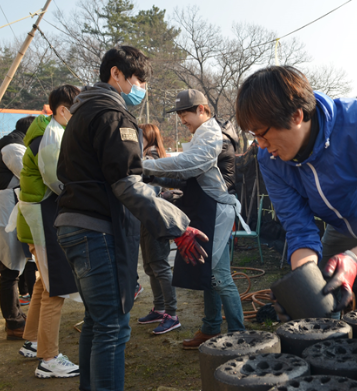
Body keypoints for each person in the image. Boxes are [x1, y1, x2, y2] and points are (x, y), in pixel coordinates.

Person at [55, 45, 206, 391]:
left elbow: (103, 175)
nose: (142, 88)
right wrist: (178, 226)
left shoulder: (82, 113)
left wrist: (157, 195)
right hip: (96, 229)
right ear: (116, 74)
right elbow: (125, 182)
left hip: (73, 224)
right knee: (113, 327)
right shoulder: (112, 114)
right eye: (138, 79)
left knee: (97, 321)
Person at [235, 66, 357, 316]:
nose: (261, 145)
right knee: (319, 301)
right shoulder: (270, 159)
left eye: (263, 134)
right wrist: (301, 284)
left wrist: (355, 259)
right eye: (254, 136)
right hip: (340, 228)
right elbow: (299, 227)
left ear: (297, 116)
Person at [143, 89, 248, 348]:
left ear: (202, 109)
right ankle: (211, 328)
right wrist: (153, 177)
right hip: (205, 209)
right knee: (207, 273)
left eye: (185, 114)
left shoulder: (212, 134)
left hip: (216, 211)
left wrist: (147, 165)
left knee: (219, 276)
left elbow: (192, 165)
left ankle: (239, 335)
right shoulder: (203, 134)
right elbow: (188, 175)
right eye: (179, 115)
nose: (182, 120)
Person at [15, 85, 81, 378]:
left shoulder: (46, 131)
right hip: (43, 216)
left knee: (44, 282)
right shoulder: (51, 136)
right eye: (76, 110)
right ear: (63, 110)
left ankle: (31, 340)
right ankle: (48, 358)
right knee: (57, 288)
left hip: (36, 216)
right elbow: (58, 182)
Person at [137, 123, 185, 334]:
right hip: (147, 220)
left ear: (148, 137)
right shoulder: (149, 158)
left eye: (139, 135)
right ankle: (159, 308)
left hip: (154, 219)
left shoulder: (150, 159)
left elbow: (150, 192)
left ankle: (171, 314)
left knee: (159, 265)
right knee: (150, 265)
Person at [0, 115, 35, 339]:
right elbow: (28, 175)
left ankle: (16, 316)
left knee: (14, 268)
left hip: (10, 210)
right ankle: (13, 322)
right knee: (9, 269)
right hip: (7, 211)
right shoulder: (13, 148)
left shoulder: (13, 146)